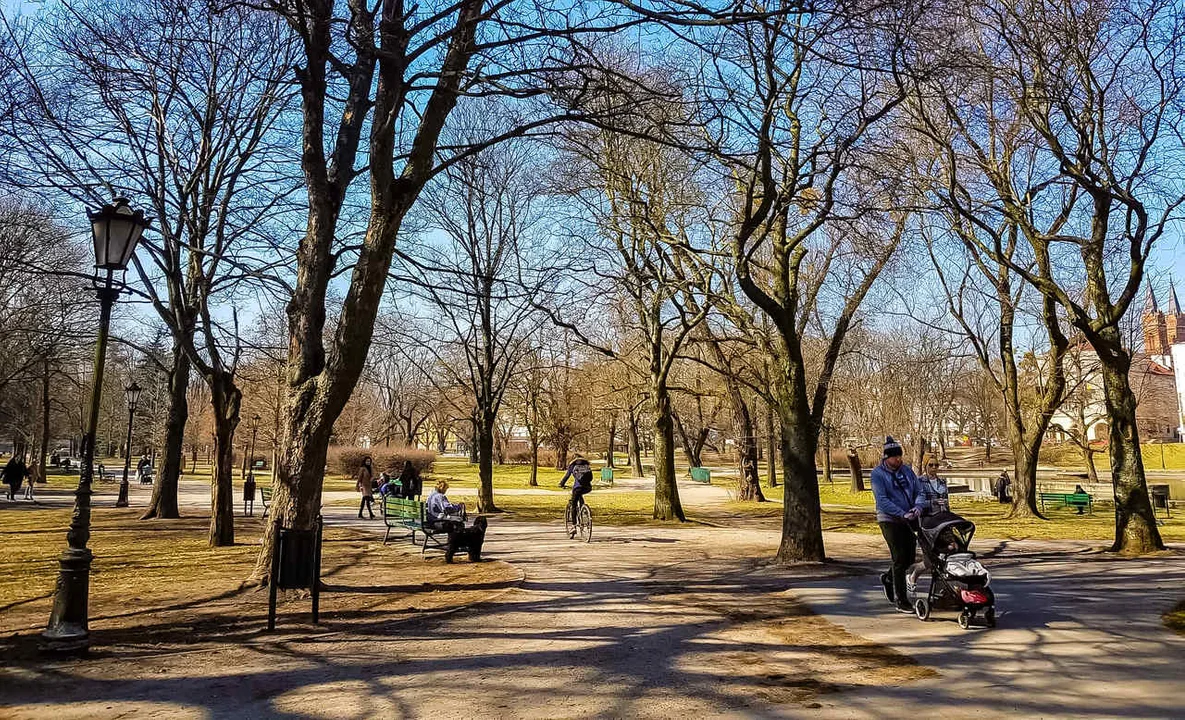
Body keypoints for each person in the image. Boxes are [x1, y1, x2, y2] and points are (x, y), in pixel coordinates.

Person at [871, 436, 924, 613]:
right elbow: (882, 500)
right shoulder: (878, 474)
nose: (898, 460)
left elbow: (919, 491)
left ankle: (888, 578)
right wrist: (902, 513)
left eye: (900, 456)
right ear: (887, 458)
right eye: (894, 457)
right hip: (889, 519)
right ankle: (901, 599)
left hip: (910, 518)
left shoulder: (907, 471)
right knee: (899, 557)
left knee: (909, 558)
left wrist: (917, 506)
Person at [907, 454, 950, 591]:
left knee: (944, 556)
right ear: (925, 466)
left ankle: (941, 588)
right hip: (926, 522)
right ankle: (913, 576)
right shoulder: (919, 482)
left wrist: (947, 510)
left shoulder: (942, 482)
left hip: (942, 521)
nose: (934, 468)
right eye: (930, 465)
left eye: (936, 465)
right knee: (929, 560)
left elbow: (947, 501)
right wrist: (933, 502)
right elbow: (917, 503)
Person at [425, 480, 485, 563]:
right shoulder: (440, 496)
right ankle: (459, 545)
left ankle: (456, 544)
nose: (445, 491)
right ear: (442, 488)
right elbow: (447, 508)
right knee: (459, 523)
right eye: (446, 489)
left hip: (430, 520)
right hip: (438, 522)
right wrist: (458, 506)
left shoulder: (431, 495)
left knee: (456, 522)